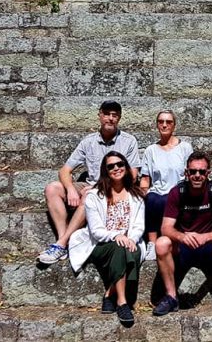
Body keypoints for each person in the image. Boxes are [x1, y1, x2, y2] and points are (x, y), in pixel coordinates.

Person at [38, 100, 141, 264]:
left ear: (119, 118)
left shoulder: (128, 141)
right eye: (107, 114)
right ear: (100, 115)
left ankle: (61, 244)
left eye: (115, 115)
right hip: (90, 184)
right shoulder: (89, 141)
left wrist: (99, 187)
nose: (110, 118)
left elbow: (133, 174)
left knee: (89, 195)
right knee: (53, 188)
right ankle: (63, 240)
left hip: (115, 187)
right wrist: (71, 188)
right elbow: (64, 170)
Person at [152, 151, 212, 317]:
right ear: (186, 173)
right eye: (193, 172)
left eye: (201, 172)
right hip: (184, 247)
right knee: (161, 243)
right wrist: (183, 237)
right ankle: (171, 296)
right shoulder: (177, 192)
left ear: (208, 173)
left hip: (210, 247)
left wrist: (206, 237)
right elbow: (166, 228)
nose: (197, 175)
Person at [67, 151, 146, 326]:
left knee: (129, 249)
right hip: (100, 244)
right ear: (105, 170)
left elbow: (139, 225)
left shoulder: (136, 196)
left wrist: (131, 238)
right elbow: (96, 231)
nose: (116, 168)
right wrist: (117, 235)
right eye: (111, 166)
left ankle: (110, 294)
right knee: (120, 248)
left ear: (126, 167)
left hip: (128, 241)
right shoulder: (95, 196)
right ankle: (122, 302)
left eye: (120, 164)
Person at [141, 110, 193, 259]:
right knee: (151, 199)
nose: (164, 125)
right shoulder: (151, 150)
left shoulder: (185, 148)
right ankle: (152, 243)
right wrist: (143, 192)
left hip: (178, 189)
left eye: (168, 122)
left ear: (174, 125)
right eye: (161, 122)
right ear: (157, 125)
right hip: (157, 191)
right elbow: (145, 178)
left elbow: (190, 173)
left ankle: (171, 240)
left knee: (167, 199)